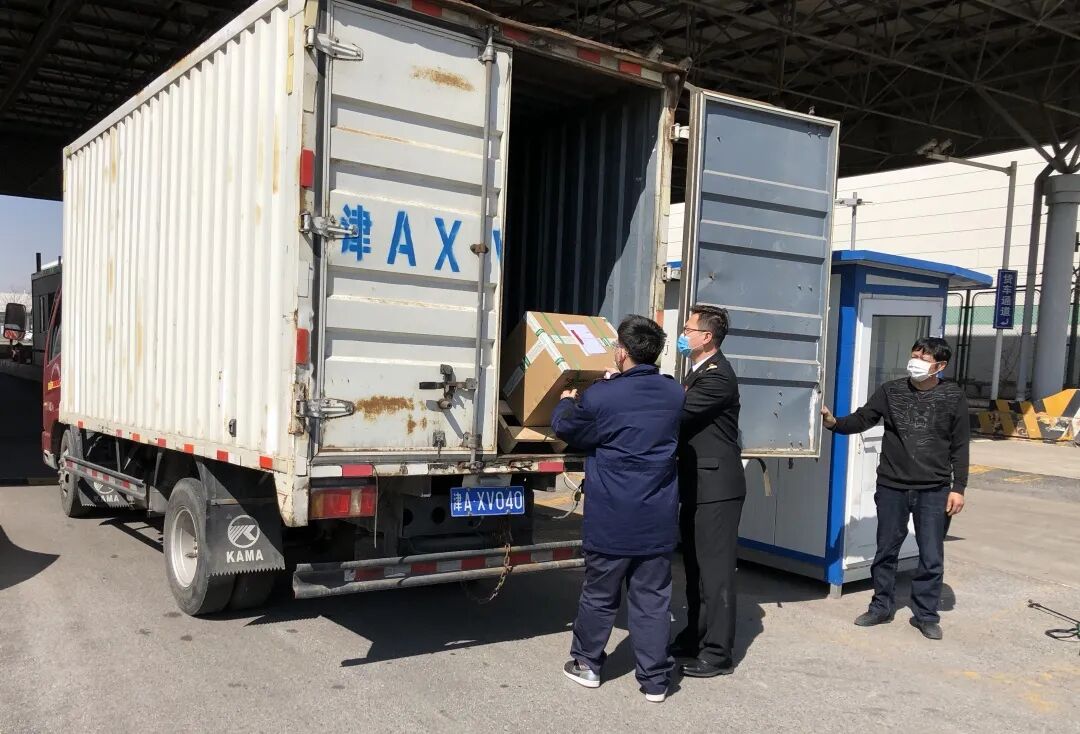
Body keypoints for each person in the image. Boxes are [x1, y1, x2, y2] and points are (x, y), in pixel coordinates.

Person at [551, 315, 685, 703]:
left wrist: (567, 401)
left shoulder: (602, 395)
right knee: (653, 600)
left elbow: (569, 428)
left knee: (600, 595)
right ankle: (655, 680)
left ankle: (587, 664)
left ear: (622, 352)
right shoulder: (674, 393)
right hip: (657, 518)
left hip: (612, 516)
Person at [821, 336, 969, 641]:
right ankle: (881, 606)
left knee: (931, 554)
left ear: (940, 366)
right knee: (886, 549)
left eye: (924, 358)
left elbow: (960, 445)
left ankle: (925, 614)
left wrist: (959, 487)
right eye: (915, 355)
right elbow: (864, 419)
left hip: (934, 489)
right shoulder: (891, 391)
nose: (916, 362)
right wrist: (834, 422)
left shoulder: (953, 396)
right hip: (892, 485)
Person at [670, 304, 746, 678]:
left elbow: (677, 413)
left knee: (715, 574)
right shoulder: (698, 370)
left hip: (717, 488)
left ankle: (717, 653)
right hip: (696, 484)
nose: (682, 335)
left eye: (688, 330)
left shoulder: (718, 377)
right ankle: (694, 636)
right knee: (695, 569)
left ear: (706, 337)